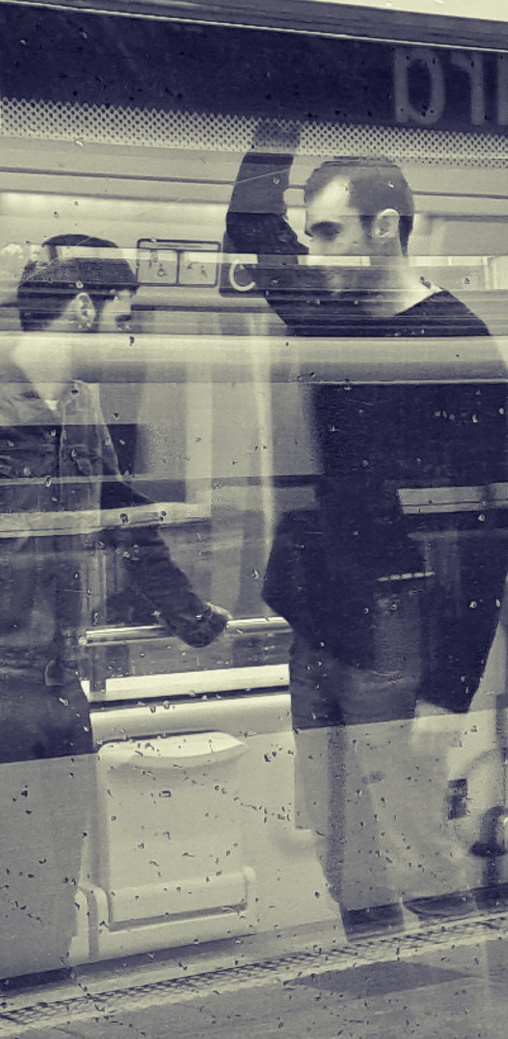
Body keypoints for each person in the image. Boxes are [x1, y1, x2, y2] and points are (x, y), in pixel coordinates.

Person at [0, 235, 229, 981]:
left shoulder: (82, 403)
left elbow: (117, 514)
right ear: (81, 307)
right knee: (17, 889)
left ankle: (44, 1010)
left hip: (60, 679)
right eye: (122, 318)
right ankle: (33, 1021)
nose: (126, 338)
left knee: (55, 884)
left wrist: (186, 613)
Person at [225, 137, 508, 936]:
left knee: (414, 839)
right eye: (310, 234)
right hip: (322, 610)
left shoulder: (456, 340)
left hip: (398, 621)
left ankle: (452, 1000)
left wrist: (449, 688)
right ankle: (378, 992)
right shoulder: (333, 315)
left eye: (328, 233)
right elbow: (251, 228)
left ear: (385, 228)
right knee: (339, 839)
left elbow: (485, 527)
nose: (312, 254)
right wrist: (275, 121)